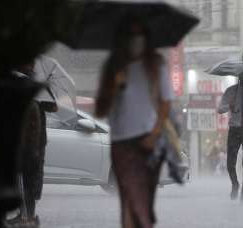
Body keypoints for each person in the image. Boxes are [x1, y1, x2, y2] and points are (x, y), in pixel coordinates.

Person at [95, 19, 173, 228]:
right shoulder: (113, 66)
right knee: (129, 200)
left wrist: (155, 134)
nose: (136, 40)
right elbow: (100, 110)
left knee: (142, 202)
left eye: (140, 35)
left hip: (147, 140)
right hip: (121, 143)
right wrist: (114, 87)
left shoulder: (156, 65)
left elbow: (166, 103)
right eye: (131, 35)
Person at [5, 62, 54, 228]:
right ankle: (26, 216)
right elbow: (53, 106)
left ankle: (28, 218)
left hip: (29, 148)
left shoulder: (30, 97)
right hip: (35, 146)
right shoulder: (35, 95)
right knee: (28, 182)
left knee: (25, 182)